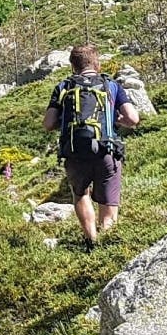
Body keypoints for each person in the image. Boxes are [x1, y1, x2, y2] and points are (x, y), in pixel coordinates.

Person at [43, 43, 141, 246]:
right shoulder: (111, 85)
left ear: (73, 66)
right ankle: (107, 244)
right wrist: (117, 120)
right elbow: (133, 119)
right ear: (97, 63)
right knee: (108, 204)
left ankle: (91, 240)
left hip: (75, 152)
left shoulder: (63, 87)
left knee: (81, 195)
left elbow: (48, 123)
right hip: (106, 150)